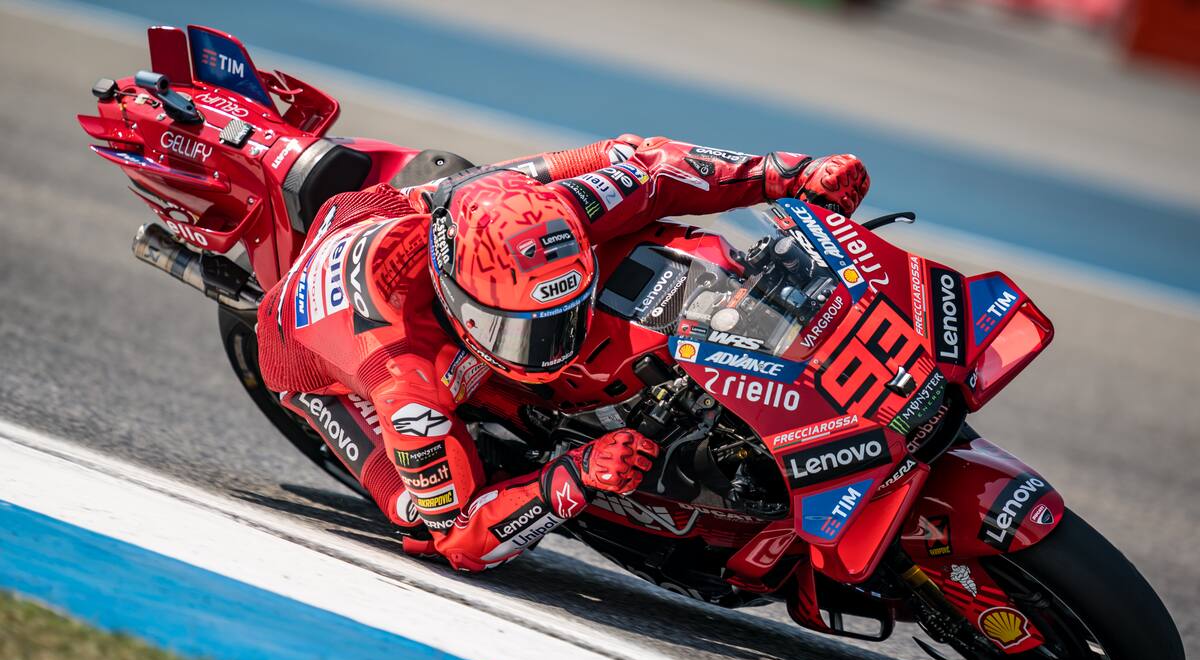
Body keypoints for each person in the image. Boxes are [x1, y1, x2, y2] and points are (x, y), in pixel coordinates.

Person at [256, 134, 869, 572]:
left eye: (563, 320)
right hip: (314, 360)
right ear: (460, 303)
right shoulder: (402, 379)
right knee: (421, 516)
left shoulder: (551, 205)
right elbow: (462, 541)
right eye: (527, 333)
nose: (556, 349)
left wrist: (789, 174)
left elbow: (651, 165)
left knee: (641, 198)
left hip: (397, 210)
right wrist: (574, 475)